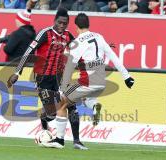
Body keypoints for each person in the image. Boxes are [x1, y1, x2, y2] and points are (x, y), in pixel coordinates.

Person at [42, 13, 135, 149]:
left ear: (76, 27)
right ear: (88, 24)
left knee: (61, 103)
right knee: (85, 98)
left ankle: (59, 140)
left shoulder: (77, 42)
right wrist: (126, 77)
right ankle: (94, 106)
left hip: (87, 82)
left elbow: (69, 67)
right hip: (101, 83)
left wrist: (63, 87)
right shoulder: (99, 37)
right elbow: (113, 55)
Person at [7, 8, 88, 150]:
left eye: (65, 23)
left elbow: (79, 53)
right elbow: (28, 51)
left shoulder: (69, 36)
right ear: (54, 21)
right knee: (51, 114)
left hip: (60, 79)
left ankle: (77, 141)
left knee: (72, 106)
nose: (62, 26)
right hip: (43, 78)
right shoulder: (45, 33)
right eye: (59, 22)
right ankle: (44, 121)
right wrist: (17, 72)